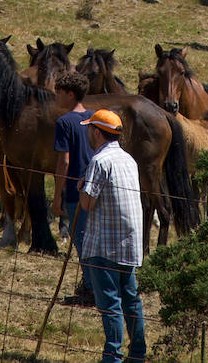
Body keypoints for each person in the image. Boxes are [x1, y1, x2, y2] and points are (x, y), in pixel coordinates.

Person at [78, 109, 146, 363]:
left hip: (105, 245)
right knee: (131, 301)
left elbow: (87, 203)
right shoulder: (129, 160)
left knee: (110, 305)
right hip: (129, 243)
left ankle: (112, 357)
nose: (88, 132)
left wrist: (82, 186)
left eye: (89, 128)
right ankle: (138, 354)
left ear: (97, 131)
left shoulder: (99, 162)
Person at [52, 71, 95, 306]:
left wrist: (57, 195)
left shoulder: (64, 122)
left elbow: (64, 161)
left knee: (81, 240)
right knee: (94, 239)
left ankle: (91, 290)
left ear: (70, 94)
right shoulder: (93, 118)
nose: (56, 96)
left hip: (74, 190)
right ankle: (93, 285)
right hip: (95, 189)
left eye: (59, 92)